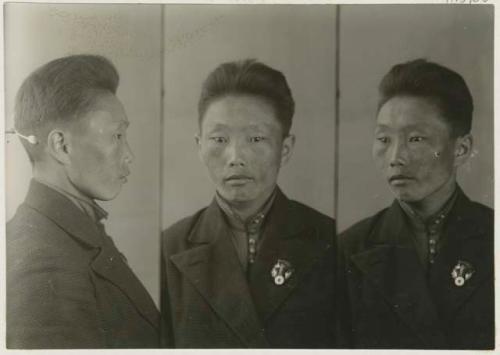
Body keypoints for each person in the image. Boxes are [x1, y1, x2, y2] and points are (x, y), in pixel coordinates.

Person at [160, 59, 336, 348]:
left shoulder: (330, 241)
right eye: (219, 139)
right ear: (199, 145)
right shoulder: (169, 249)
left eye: (255, 138)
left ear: (286, 148)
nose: (235, 157)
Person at [337, 59, 494, 349]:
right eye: (384, 138)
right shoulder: (349, 250)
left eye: (416, 138)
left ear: (461, 149)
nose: (396, 156)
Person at [7, 55, 159, 348]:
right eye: (116, 135)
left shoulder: (67, 231)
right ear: (61, 146)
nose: (129, 155)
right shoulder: (44, 264)